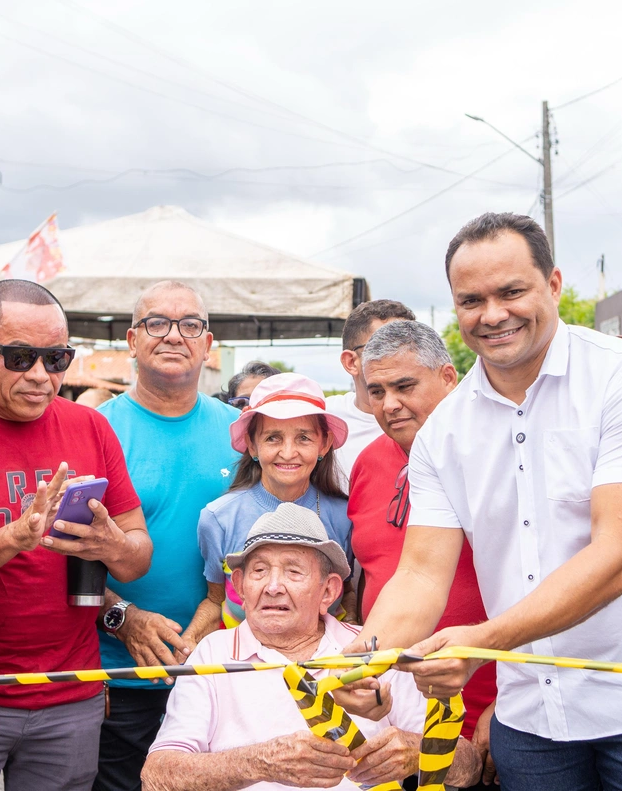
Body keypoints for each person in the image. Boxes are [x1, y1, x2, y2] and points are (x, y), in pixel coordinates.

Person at [356, 212, 622, 790]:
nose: (493, 314)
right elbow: (422, 575)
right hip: (531, 713)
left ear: (552, 284)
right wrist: (368, 659)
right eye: (472, 299)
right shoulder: (444, 431)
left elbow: (619, 556)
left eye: (511, 291)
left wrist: (484, 641)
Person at [0, 279, 151, 791]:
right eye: (19, 357)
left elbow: (136, 557)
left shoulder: (90, 427)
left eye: (56, 359)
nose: (41, 376)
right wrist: (13, 537)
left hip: (69, 694)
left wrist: (112, 545)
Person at [142, 504, 482, 791]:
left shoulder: (373, 647)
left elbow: (469, 766)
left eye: (293, 571)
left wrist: (418, 751)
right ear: (240, 586)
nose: (273, 586)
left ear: (329, 592)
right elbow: (155, 776)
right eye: (259, 571)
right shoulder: (213, 654)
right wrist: (261, 762)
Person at [94, 281, 242, 791]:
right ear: (133, 341)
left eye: (190, 325)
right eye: (157, 323)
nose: (173, 336)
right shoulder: (93, 430)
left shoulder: (243, 435)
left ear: (208, 343)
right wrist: (122, 618)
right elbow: (62, 556)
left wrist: (214, 621)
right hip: (120, 673)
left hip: (224, 671)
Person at [351, 319, 499, 783]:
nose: (389, 404)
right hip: (392, 723)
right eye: (376, 391)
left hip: (488, 720)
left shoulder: (495, 453)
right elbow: (375, 579)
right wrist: (359, 666)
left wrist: (519, 695)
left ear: (448, 378)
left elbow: (544, 581)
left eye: (404, 386)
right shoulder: (367, 462)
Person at [199, 373, 356, 629]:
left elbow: (346, 593)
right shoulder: (218, 519)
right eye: (273, 437)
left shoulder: (344, 517)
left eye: (304, 438)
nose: (287, 453)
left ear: (324, 444)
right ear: (252, 445)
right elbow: (215, 599)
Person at [324, 300, 416, 485]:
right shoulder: (324, 420)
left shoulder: (436, 419)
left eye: (409, 347)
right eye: (382, 348)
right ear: (351, 362)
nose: (399, 357)